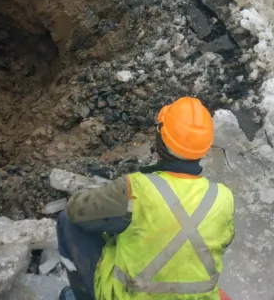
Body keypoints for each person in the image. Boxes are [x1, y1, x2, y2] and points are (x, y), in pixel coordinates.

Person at [56, 97, 235, 300]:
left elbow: (76, 210)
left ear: (162, 140)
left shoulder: (136, 188)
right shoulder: (223, 197)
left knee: (67, 221)